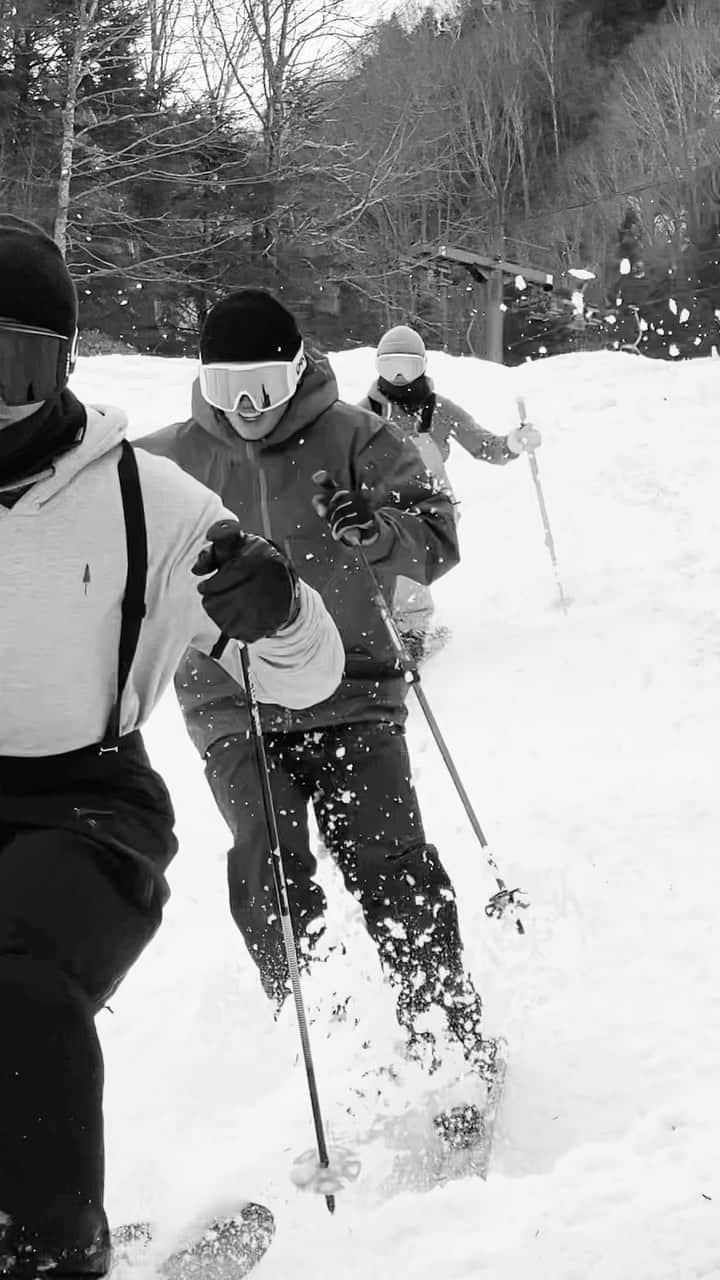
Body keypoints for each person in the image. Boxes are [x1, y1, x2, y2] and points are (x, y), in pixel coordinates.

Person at [0, 219, 343, 1280]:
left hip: (83, 803)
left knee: (11, 977)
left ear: (62, 364)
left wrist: (276, 609)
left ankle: (47, 1249)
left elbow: (305, 674)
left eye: (14, 364)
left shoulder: (144, 501)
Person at [139, 287, 493, 1089]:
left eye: (264, 385)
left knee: (392, 866)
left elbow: (437, 538)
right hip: (233, 704)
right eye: (230, 392)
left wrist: (381, 534)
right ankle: (322, 1034)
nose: (250, 409)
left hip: (356, 693)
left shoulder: (359, 439)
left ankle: (447, 1036)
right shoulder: (167, 460)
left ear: (299, 367)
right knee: (267, 866)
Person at [360, 324, 542, 658]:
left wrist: (513, 444)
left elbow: (485, 445)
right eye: (390, 368)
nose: (399, 378)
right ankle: (384, 631)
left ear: (423, 366)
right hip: (381, 505)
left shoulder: (438, 410)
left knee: (410, 565)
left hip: (431, 506)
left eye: (407, 367)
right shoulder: (365, 414)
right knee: (387, 565)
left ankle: (410, 633)